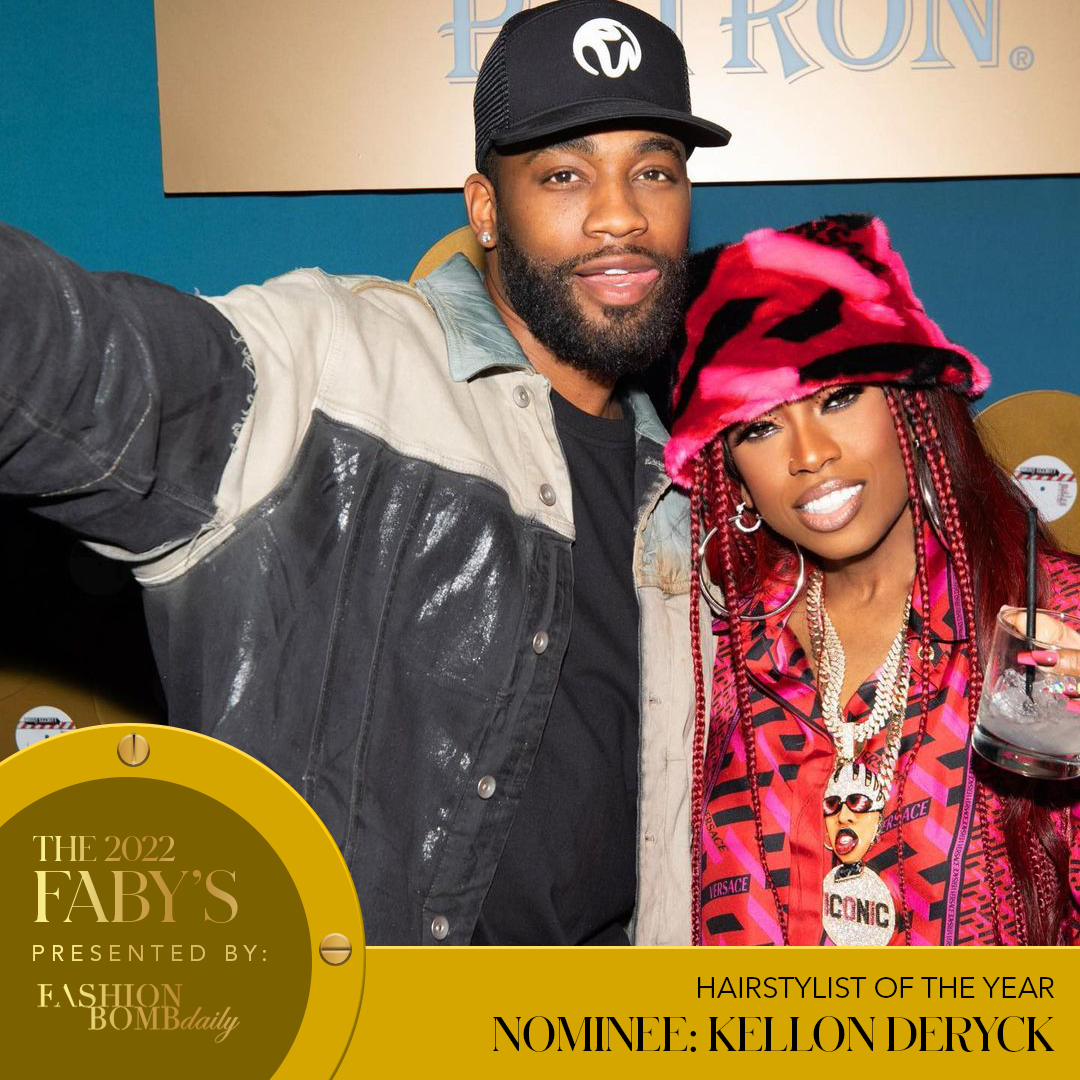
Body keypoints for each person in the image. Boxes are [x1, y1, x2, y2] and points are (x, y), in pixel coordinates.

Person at [0, 0, 730, 944]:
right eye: (564, 174)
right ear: (486, 210)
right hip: (338, 1013)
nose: (621, 213)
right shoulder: (335, 367)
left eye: (654, 171)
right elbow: (84, 364)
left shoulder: (696, 497)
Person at [663, 213, 1080, 946]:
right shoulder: (718, 650)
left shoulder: (1052, 616)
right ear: (730, 470)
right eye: (758, 426)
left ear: (909, 402)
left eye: (838, 397)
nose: (809, 454)